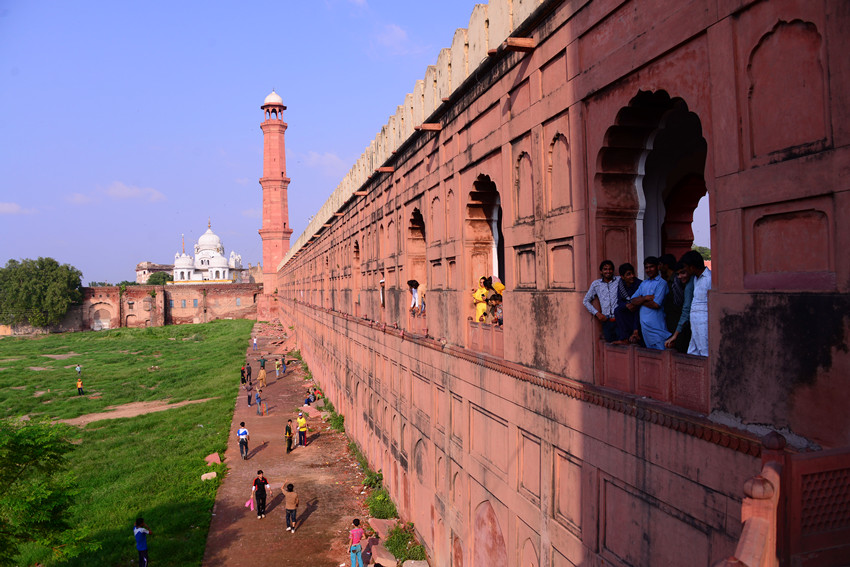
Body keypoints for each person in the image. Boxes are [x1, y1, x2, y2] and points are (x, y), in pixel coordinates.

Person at [627, 257, 671, 350]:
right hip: (645, 330)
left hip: (657, 328)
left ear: (658, 267)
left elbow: (656, 304)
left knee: (661, 354)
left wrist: (640, 301)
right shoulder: (644, 283)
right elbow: (633, 300)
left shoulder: (661, 283)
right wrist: (645, 298)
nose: (648, 270)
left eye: (651, 267)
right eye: (646, 267)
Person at [680, 250, 711, 356]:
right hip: (695, 321)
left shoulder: (709, 279)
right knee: (692, 352)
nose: (685, 270)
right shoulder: (695, 279)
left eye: (686, 267)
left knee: (704, 351)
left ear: (692, 267)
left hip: (704, 321)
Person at [583, 260, 620, 342]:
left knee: (622, 344)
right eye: (605, 269)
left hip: (619, 319)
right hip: (606, 320)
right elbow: (586, 301)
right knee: (609, 345)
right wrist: (597, 314)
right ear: (601, 271)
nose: (608, 271)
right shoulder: (596, 284)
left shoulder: (619, 280)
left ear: (613, 270)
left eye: (610, 269)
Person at [665, 262, 694, 352]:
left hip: (688, 323)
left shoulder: (692, 283)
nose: (680, 276)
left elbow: (686, 309)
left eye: (683, 273)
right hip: (678, 323)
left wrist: (675, 335)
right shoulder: (677, 284)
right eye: (677, 274)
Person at [612, 263, 643, 343]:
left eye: (633, 273)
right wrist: (627, 305)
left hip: (639, 313)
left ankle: (636, 332)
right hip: (628, 312)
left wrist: (634, 304)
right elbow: (620, 301)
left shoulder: (639, 284)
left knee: (638, 309)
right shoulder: (621, 285)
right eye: (628, 274)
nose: (632, 276)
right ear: (622, 277)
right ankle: (624, 337)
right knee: (617, 310)